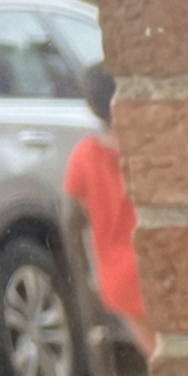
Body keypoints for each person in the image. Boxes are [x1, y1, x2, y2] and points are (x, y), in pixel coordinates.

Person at [61, 65, 151, 357]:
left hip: (118, 277)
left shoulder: (85, 154)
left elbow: (71, 218)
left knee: (157, 358)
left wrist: (85, 279)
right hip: (158, 266)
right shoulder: (147, 145)